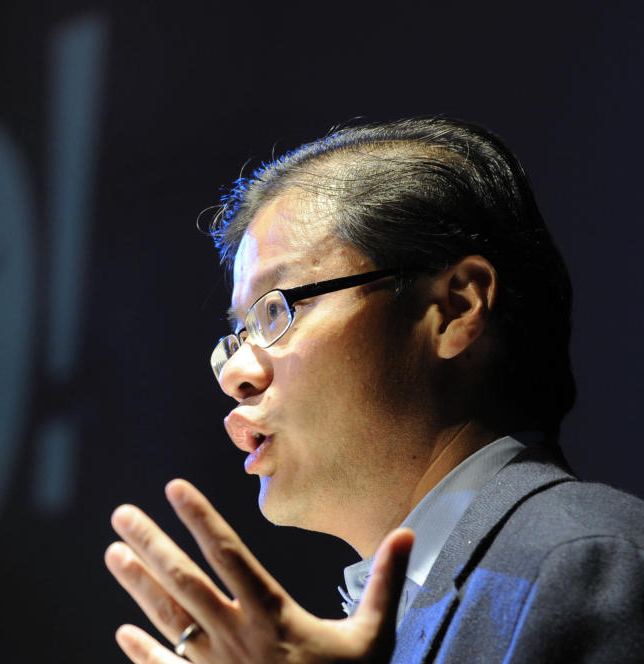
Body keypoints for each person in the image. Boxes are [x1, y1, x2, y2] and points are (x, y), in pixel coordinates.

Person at [104, 117, 644, 663]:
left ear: (454, 308)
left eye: (277, 310)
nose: (234, 372)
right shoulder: (404, 612)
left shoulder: (584, 560)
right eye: (239, 331)